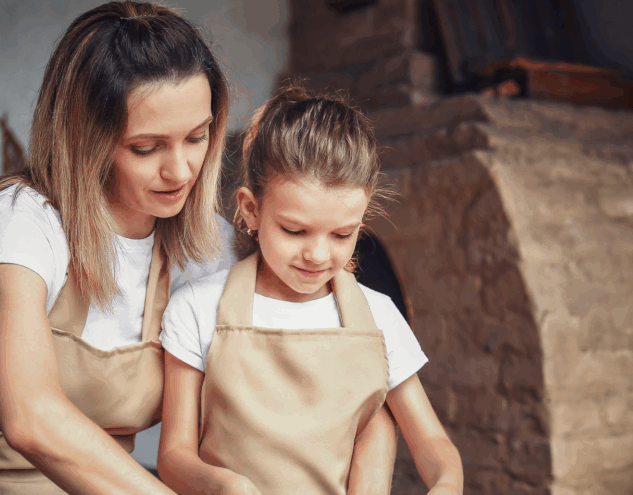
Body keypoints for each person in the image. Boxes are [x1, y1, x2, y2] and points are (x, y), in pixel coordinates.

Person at [0, 2, 233, 493]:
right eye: (146, 147)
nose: (181, 171)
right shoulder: (25, 220)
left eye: (197, 137)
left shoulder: (210, 248)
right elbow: (31, 417)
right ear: (87, 138)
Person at [158, 87, 464, 495]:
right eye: (294, 230)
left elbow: (434, 445)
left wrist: (445, 484)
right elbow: (174, 458)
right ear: (250, 209)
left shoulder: (378, 317)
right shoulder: (197, 308)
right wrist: (226, 487)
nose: (318, 255)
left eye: (342, 234)